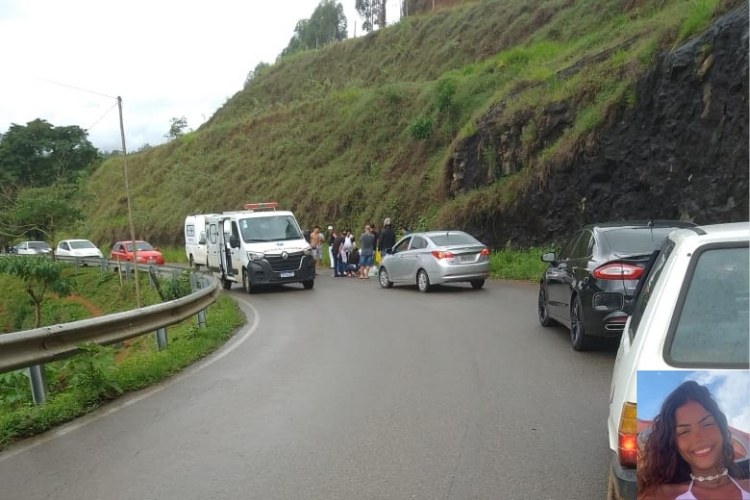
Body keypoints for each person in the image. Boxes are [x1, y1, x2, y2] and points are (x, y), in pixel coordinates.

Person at [637, 380, 750, 500]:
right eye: (684, 432)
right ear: (673, 443)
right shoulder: (657, 496)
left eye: (707, 424)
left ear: (721, 430)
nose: (698, 437)